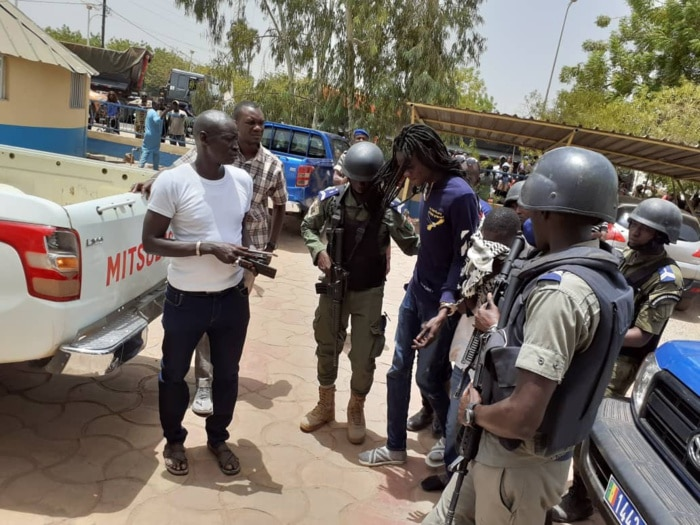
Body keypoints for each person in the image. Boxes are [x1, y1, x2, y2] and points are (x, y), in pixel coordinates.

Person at [422, 146, 634, 525]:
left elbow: (521, 418)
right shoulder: (601, 273)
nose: (528, 220)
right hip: (506, 458)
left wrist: (471, 411)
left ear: (550, 211)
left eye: (532, 211)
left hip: (516, 467)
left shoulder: (560, 293)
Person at [551, 197, 683, 523]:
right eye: (634, 223)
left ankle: (581, 495)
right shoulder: (627, 257)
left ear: (660, 235)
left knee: (593, 425)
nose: (634, 230)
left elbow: (643, 334)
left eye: (643, 227)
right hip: (596, 348)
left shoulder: (667, 276)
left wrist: (595, 331)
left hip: (620, 360)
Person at [358, 123, 481, 467]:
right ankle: (395, 447)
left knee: (428, 376)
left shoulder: (460, 196)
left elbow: (463, 259)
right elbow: (428, 247)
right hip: (415, 294)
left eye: (409, 166)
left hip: (440, 306)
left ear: (428, 156)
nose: (406, 173)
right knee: (397, 370)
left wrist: (444, 310)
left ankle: (449, 436)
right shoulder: (426, 188)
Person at [142, 110, 254, 477]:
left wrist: (249, 258)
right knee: (173, 374)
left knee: (227, 374)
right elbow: (151, 242)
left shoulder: (241, 180)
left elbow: (238, 228)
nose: (236, 145)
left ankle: (218, 438)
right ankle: (174, 440)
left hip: (231, 298)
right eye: (228, 139)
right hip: (185, 298)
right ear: (203, 139)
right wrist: (204, 247)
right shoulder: (173, 182)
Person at [299, 141, 420, 444]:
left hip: (369, 290)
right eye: (357, 179)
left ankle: (356, 408)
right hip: (334, 286)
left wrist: (431, 229)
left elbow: (411, 245)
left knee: (364, 354)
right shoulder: (331, 199)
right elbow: (308, 226)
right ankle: (326, 405)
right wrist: (318, 253)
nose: (361, 185)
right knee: (327, 342)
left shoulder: (390, 208)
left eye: (368, 180)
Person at [421, 207, 521, 492]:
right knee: (455, 425)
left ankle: (465, 487)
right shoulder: (479, 261)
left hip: (493, 367)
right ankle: (451, 479)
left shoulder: (520, 277)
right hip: (468, 358)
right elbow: (464, 304)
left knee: (477, 432)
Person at [138, 99, 169, 170]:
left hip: (150, 134)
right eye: (157, 104)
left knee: (147, 150)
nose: (159, 106)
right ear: (153, 105)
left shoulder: (150, 112)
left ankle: (141, 165)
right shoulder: (154, 113)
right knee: (153, 151)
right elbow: (157, 120)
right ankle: (154, 167)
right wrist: (166, 111)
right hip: (154, 135)